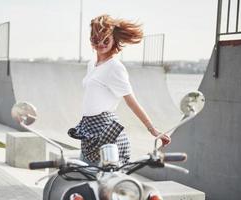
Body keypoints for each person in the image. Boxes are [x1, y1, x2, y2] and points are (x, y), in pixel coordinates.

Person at [68, 14, 171, 165]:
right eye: (96, 39)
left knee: (102, 182)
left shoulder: (114, 67)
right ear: (91, 40)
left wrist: (152, 129)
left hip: (106, 133)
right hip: (89, 129)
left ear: (114, 40)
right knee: (87, 180)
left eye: (106, 39)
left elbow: (131, 101)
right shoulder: (93, 64)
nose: (101, 44)